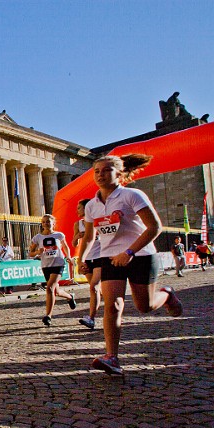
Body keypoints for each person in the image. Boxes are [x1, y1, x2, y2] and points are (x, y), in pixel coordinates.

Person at [78, 154, 183, 376]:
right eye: (97, 171)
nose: (100, 175)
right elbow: (88, 236)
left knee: (144, 306)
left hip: (141, 255)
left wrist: (129, 252)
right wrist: (82, 259)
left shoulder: (132, 195)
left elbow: (154, 227)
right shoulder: (92, 206)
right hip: (110, 259)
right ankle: (112, 357)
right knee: (113, 305)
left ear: (119, 173)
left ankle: (167, 294)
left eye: (106, 170)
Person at [29, 214, 77, 326]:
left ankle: (48, 316)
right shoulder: (37, 238)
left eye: (48, 221)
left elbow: (65, 247)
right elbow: (30, 253)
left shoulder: (59, 235)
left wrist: (68, 256)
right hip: (46, 265)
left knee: (49, 288)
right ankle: (70, 297)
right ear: (41, 224)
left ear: (53, 223)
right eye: (44, 222)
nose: (46, 224)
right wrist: (37, 252)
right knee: (56, 291)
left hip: (58, 263)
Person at [74, 199, 102, 329]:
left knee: (94, 287)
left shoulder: (98, 220)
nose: (77, 210)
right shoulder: (78, 224)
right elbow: (74, 243)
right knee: (94, 289)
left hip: (100, 256)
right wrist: (77, 237)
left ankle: (91, 318)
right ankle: (110, 305)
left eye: (79, 208)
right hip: (87, 258)